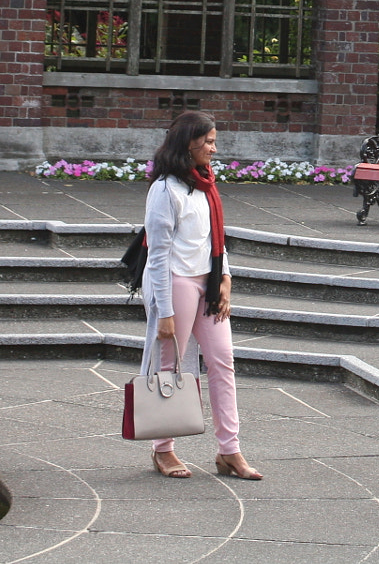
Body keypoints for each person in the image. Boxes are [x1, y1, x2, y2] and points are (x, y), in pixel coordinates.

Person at [143, 109, 262, 481]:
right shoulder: (164, 190)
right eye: (207, 141)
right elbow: (158, 254)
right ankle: (163, 450)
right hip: (175, 282)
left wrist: (225, 276)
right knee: (171, 365)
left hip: (208, 281)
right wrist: (164, 311)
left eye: (213, 140)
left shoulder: (206, 183)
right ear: (187, 144)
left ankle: (230, 451)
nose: (214, 148)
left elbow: (215, 237)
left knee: (222, 360)